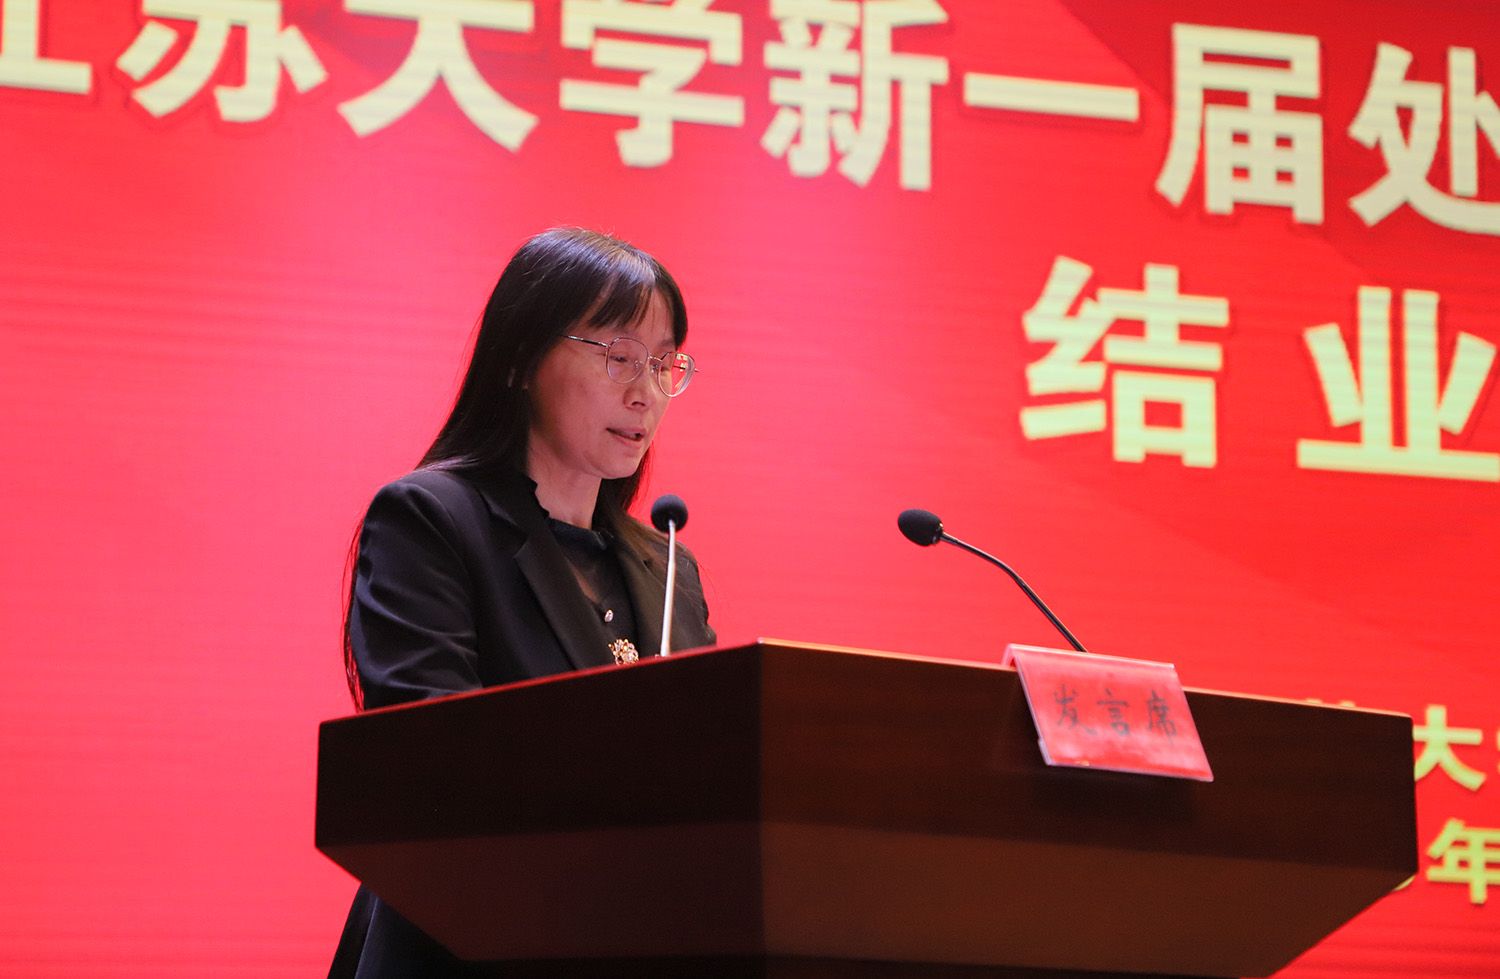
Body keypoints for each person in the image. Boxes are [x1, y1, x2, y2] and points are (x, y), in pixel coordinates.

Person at [328, 227, 715, 977]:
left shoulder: (667, 566)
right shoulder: (432, 521)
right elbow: (430, 763)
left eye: (664, 363)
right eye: (618, 356)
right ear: (519, 359)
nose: (645, 391)